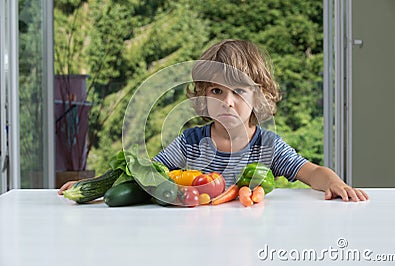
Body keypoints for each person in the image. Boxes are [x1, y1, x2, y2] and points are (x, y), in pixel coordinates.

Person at [59, 39, 368, 202]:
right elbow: (145, 173)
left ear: (258, 97)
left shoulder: (267, 145)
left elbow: (312, 171)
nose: (227, 102)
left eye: (238, 91)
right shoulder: (190, 144)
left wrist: (336, 184)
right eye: (217, 91)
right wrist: (93, 186)